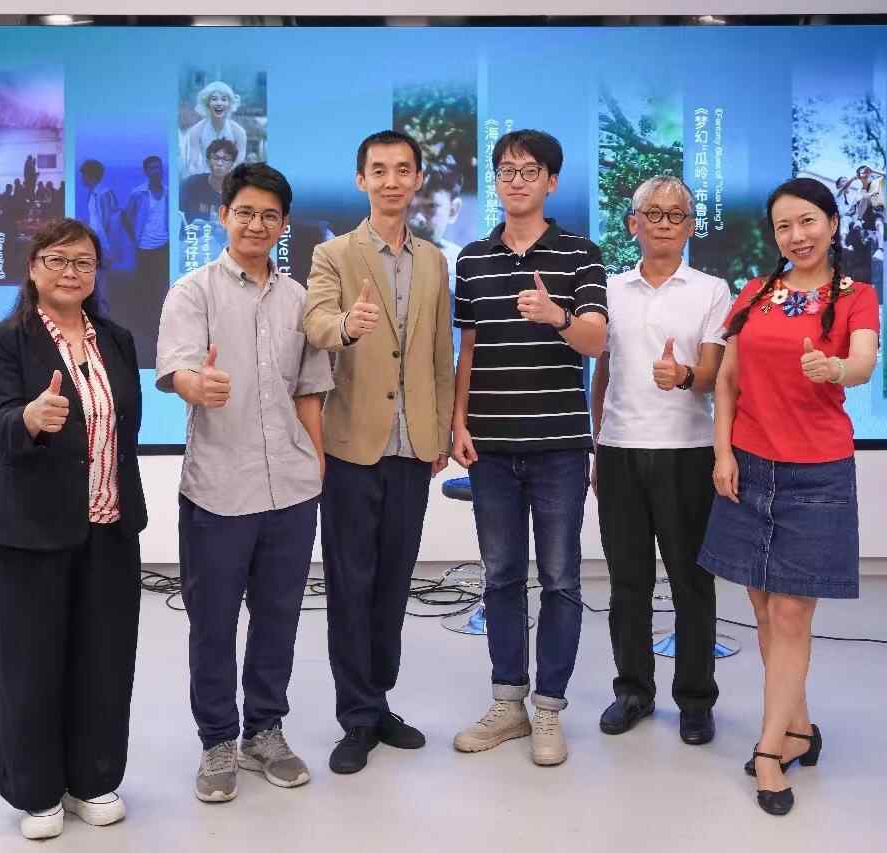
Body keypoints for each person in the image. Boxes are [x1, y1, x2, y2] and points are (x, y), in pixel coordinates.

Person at [699, 177, 878, 816]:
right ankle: (798, 726)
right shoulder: (754, 293)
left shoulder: (856, 296)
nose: (796, 236)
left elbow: (864, 362)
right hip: (749, 468)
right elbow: (727, 381)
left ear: (831, 224)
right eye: (783, 226)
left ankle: (770, 750)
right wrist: (722, 453)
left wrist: (836, 369)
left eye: (807, 221)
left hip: (817, 474)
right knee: (763, 609)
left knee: (792, 614)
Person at [157, 162, 333, 804]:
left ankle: (264, 730)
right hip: (218, 489)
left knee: (279, 617)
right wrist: (195, 384)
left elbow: (310, 390)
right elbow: (178, 370)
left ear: (284, 225)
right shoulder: (192, 292)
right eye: (245, 213)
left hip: (292, 488)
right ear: (223, 216)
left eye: (269, 215)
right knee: (213, 622)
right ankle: (217, 740)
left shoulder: (299, 300)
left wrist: (316, 463)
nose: (257, 225)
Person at [0, 218, 147, 840]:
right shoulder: (3, 341)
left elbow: (125, 430)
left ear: (96, 273)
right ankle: (38, 791)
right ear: (32, 268)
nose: (71, 272)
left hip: (110, 525)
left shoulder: (117, 340)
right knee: (32, 662)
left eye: (83, 262)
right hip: (32, 531)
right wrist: (29, 417)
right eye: (57, 259)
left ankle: (92, 780)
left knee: (106, 658)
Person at [449, 130, 607, 767]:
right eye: (506, 171)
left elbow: (596, 341)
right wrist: (458, 421)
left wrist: (556, 317)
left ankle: (549, 708)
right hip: (489, 446)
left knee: (561, 578)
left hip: (559, 447)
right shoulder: (472, 258)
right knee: (501, 576)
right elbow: (468, 348)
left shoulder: (580, 253)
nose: (517, 181)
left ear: (551, 182)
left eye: (530, 170)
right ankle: (508, 703)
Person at [303, 129, 454, 775]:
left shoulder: (434, 260)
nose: (392, 181)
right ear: (361, 179)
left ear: (417, 179)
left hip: (412, 446)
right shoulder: (333, 253)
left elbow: (441, 353)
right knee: (350, 583)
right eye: (379, 170)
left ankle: (379, 699)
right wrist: (345, 326)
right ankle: (356, 715)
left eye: (403, 170)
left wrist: (440, 430)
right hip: (351, 447)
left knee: (393, 582)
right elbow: (315, 322)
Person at [590, 175, 731, 746]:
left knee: (691, 583)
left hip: (687, 453)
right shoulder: (609, 290)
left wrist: (684, 376)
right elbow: (602, 373)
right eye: (653, 213)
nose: (665, 223)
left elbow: (715, 374)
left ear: (691, 227)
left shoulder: (711, 289)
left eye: (676, 215)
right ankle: (633, 691)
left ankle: (695, 700)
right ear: (633, 224)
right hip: (620, 451)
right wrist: (598, 443)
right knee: (627, 584)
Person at [121, 155, 171, 364]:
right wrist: (134, 237)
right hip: (144, 247)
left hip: (164, 245)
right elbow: (125, 217)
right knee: (145, 288)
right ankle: (146, 330)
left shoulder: (169, 192)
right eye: (152, 168)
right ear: (146, 171)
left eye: (158, 167)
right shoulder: (138, 193)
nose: (156, 171)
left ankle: (161, 328)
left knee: (162, 287)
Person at [408, 159, 465, 276]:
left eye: (430, 206)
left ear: (453, 210)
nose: (416, 218)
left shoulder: (465, 267)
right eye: (408, 205)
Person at [182, 81, 249, 177]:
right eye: (214, 99)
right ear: (207, 103)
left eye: (224, 99)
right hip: (204, 178)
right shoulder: (196, 131)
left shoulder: (239, 132)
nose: (219, 103)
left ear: (229, 104)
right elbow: (194, 162)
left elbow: (239, 163)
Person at [180, 139, 239, 225]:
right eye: (215, 158)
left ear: (232, 164)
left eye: (226, 159)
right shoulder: (190, 185)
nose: (219, 163)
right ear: (207, 161)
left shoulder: (239, 193)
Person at [78, 160, 120, 267]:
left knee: (102, 273)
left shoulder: (104, 193)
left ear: (90, 175)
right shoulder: (93, 193)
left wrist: (102, 245)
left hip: (103, 243)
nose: (81, 178)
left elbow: (107, 221)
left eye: (83, 174)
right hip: (97, 241)